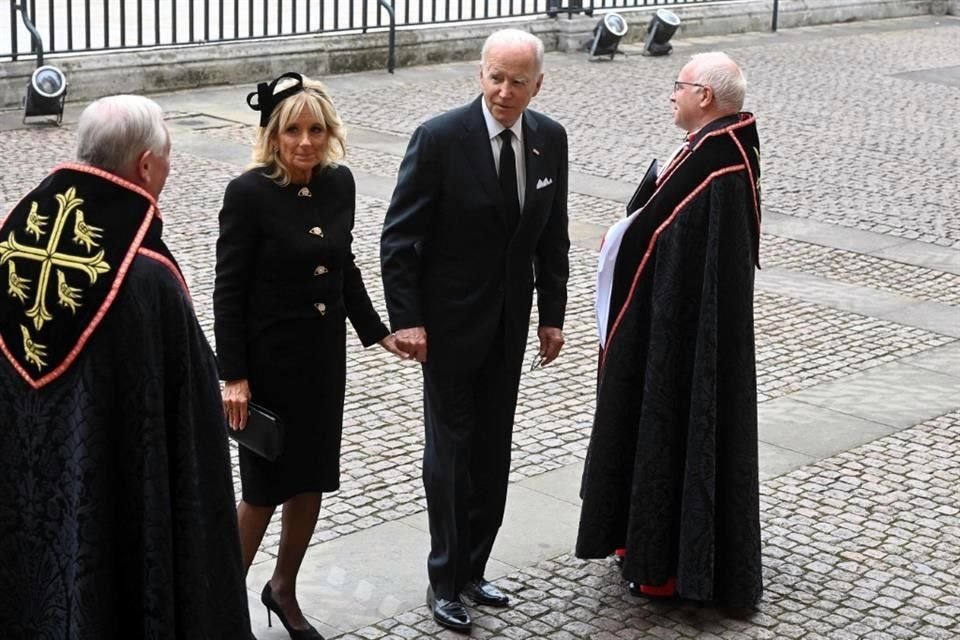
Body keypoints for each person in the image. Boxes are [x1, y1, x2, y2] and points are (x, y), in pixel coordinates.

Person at [0, 95, 252, 637]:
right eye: (167, 154)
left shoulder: (11, 243)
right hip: (115, 509)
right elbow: (192, 433)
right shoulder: (147, 279)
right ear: (145, 166)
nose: (169, 165)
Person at [380, 28, 570, 632]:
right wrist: (406, 319)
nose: (504, 92)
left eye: (518, 82)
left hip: (510, 325)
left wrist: (553, 315)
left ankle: (474, 568)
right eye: (495, 77)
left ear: (538, 84)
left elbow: (552, 236)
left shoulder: (549, 140)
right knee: (451, 451)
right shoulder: (438, 139)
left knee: (492, 450)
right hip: (447, 328)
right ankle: (444, 579)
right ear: (479, 73)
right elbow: (399, 238)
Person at [215, 72, 404, 640]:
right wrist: (235, 378)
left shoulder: (338, 183)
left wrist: (377, 332)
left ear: (330, 133)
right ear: (273, 135)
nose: (305, 141)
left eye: (316, 130)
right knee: (262, 490)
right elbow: (227, 292)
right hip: (268, 366)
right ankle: (218, 604)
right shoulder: (247, 193)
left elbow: (344, 265)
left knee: (312, 480)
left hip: (322, 360)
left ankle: (283, 589)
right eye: (292, 130)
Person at [575, 52, 764, 609]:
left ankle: (668, 565)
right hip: (675, 322)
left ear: (704, 96)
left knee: (677, 424)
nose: (671, 94)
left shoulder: (717, 161)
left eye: (678, 85)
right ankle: (649, 546)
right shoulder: (723, 147)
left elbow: (678, 248)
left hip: (679, 337)